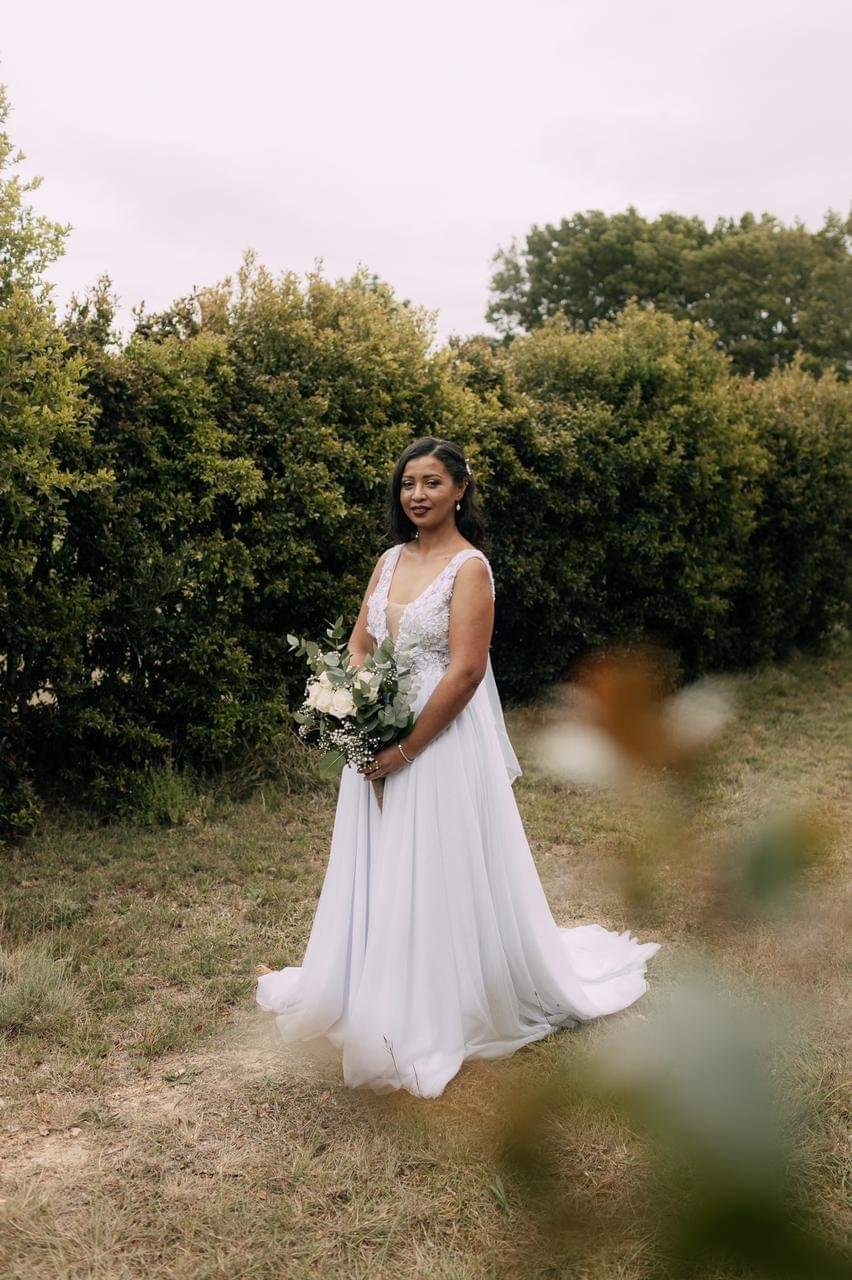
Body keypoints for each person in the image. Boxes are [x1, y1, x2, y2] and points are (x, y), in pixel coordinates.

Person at [255, 436, 660, 1098]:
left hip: (437, 735)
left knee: (431, 862)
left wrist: (406, 746)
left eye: (432, 483)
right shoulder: (388, 560)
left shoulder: (470, 568)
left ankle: (429, 1006)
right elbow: (361, 643)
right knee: (379, 860)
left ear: (460, 490)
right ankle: (365, 982)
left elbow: (468, 669)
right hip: (376, 728)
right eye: (408, 483)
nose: (417, 494)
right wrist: (353, 710)